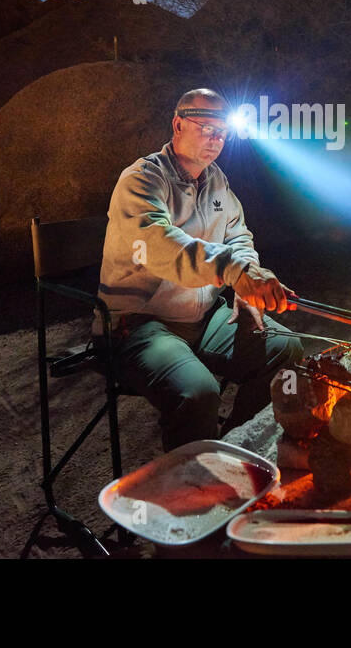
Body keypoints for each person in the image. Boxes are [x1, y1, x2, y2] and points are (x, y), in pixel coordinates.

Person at [96, 88, 303, 452]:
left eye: (222, 130)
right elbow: (160, 245)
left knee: (285, 349)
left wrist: (245, 281)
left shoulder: (216, 180)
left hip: (203, 318)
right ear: (178, 124)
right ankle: (189, 492)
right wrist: (233, 270)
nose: (216, 138)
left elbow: (237, 233)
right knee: (198, 392)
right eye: (205, 126)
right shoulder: (142, 180)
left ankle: (237, 450)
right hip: (139, 324)